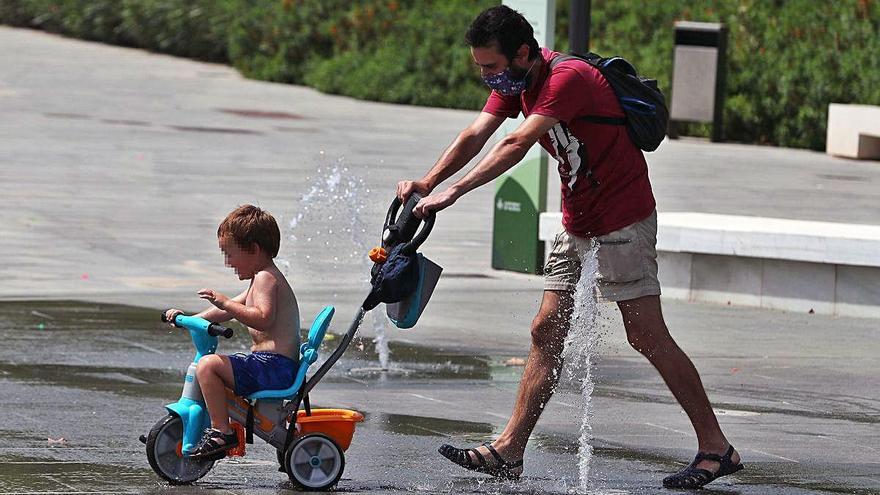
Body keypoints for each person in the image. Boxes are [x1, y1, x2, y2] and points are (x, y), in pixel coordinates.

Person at [396, 5, 742, 489]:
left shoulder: (567, 79)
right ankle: (509, 451)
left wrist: (454, 192)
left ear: (523, 53)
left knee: (646, 334)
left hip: (623, 220)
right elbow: (477, 133)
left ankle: (716, 447)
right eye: (479, 68)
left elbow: (516, 144)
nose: (487, 78)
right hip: (577, 222)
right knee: (546, 329)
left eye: (491, 67)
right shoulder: (518, 82)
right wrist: (427, 181)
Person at [164, 204, 300, 459]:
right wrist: (189, 319)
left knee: (208, 367)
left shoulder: (266, 279)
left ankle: (222, 432)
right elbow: (227, 311)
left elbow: (262, 319)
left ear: (254, 249)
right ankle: (221, 428)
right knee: (212, 367)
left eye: (231, 254)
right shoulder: (261, 277)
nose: (228, 263)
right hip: (271, 366)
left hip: (274, 368)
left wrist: (225, 302)